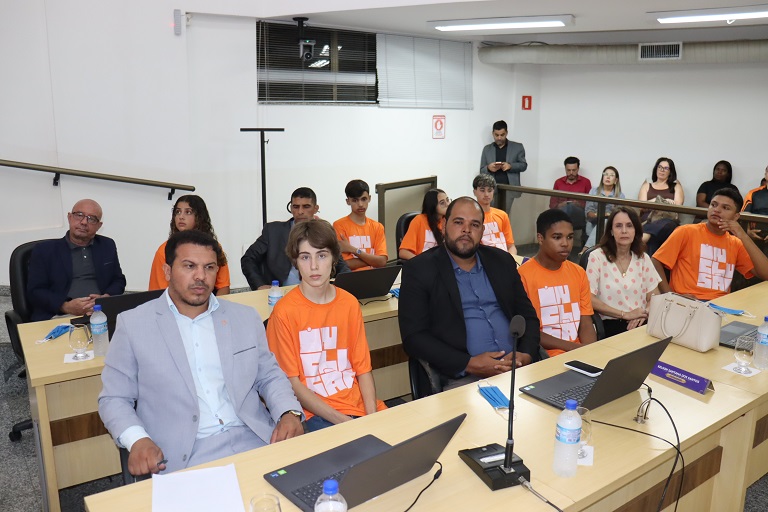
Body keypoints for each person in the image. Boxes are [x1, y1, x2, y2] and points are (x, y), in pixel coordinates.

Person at [99, 230, 303, 476]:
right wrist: (137, 440)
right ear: (167, 271)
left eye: (209, 267)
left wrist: (289, 412)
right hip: (183, 454)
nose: (200, 276)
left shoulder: (244, 317)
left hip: (255, 439)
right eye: (189, 266)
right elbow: (114, 398)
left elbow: (269, 375)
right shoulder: (133, 325)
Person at [398, 197, 541, 390]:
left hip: (518, 369)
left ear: (482, 230)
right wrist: (469, 363)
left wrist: (526, 354)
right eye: (459, 222)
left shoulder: (502, 262)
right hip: (465, 377)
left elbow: (528, 316)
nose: (466, 230)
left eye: (474, 224)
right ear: (443, 226)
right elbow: (414, 337)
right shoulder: (419, 269)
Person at [266, 220, 386, 431]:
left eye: (321, 255)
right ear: (295, 261)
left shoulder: (349, 303)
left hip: (357, 405)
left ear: (334, 258)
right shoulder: (284, 312)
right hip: (315, 413)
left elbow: (363, 370)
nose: (314, 266)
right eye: (305, 257)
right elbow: (292, 384)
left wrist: (371, 418)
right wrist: (346, 423)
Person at [653, 188, 768, 301]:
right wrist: (670, 296)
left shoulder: (735, 243)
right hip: (686, 302)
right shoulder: (686, 231)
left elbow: (766, 274)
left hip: (720, 304)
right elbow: (655, 261)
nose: (716, 210)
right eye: (713, 205)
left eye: (725, 208)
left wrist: (743, 236)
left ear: (735, 217)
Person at [26, 199, 126, 321]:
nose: (84, 222)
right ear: (69, 217)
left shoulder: (107, 245)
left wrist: (106, 298)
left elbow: (118, 280)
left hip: (101, 313)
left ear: (99, 226)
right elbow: (35, 292)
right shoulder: (44, 250)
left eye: (92, 219)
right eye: (79, 215)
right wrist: (65, 306)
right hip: (60, 315)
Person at [518, 209, 596, 357]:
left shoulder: (578, 272)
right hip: (543, 356)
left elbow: (585, 320)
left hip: (578, 352)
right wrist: (574, 348)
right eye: (557, 237)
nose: (565, 244)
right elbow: (529, 330)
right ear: (540, 238)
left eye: (570, 237)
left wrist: (590, 352)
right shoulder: (523, 276)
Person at [241, 187, 350, 290]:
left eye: (306, 207)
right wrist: (259, 285)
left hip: (317, 292)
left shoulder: (324, 232)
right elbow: (248, 259)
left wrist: (348, 286)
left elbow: (340, 264)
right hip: (281, 293)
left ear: (315, 209)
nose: (300, 211)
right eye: (296, 207)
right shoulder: (273, 231)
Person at [585, 207, 660, 338]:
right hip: (610, 324)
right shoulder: (597, 257)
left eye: (629, 226)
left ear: (635, 230)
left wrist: (644, 313)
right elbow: (589, 299)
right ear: (611, 231)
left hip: (640, 322)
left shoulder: (643, 258)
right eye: (618, 226)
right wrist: (625, 314)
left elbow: (654, 296)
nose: (624, 231)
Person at [148, 194, 230, 295]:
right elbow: (159, 293)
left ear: (199, 217)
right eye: (178, 212)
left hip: (209, 302)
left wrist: (215, 305)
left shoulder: (213, 247)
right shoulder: (163, 250)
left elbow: (223, 287)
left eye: (188, 212)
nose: (181, 217)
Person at [332, 179, 387, 271]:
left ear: (369, 198)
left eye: (364, 199)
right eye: (355, 200)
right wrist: (372, 260)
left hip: (375, 276)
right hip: (351, 277)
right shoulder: (339, 225)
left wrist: (353, 250)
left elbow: (382, 262)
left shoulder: (378, 227)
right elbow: (345, 264)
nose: (360, 204)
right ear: (348, 201)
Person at [638, 157, 685, 255]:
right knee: (654, 240)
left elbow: (678, 206)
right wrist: (656, 200)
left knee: (666, 224)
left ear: (670, 172)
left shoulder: (676, 186)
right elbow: (641, 206)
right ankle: (652, 262)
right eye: (660, 167)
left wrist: (666, 202)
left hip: (668, 221)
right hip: (649, 219)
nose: (662, 170)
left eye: (666, 168)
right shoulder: (647, 185)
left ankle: (644, 236)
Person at [479, 120, 527, 214]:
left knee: (505, 216)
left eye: (502, 135)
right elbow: (482, 170)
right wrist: (488, 168)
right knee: (492, 216)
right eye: (496, 135)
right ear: (493, 133)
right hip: (491, 190)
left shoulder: (517, 147)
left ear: (507, 133)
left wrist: (510, 166)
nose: (499, 138)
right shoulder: (487, 149)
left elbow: (524, 165)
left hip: (510, 190)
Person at [472, 174, 517, 255]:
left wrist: (511, 259)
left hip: (504, 257)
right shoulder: (471, 217)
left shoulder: (502, 215)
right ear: (475, 192)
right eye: (482, 190)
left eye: (489, 190)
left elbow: (511, 246)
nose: (486, 194)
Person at [398, 188, 449, 260]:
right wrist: (421, 262)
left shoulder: (448, 221)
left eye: (447, 200)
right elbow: (403, 252)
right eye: (442, 203)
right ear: (433, 206)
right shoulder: (419, 221)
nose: (448, 204)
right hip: (423, 263)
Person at [583, 166, 625, 250]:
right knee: (601, 223)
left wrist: (603, 216)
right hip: (593, 222)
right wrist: (605, 214)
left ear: (616, 180)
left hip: (610, 226)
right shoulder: (594, 191)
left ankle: (585, 249)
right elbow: (588, 212)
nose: (608, 177)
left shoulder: (620, 195)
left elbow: (619, 216)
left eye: (611, 175)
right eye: (606, 174)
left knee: (605, 222)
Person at [549, 156, 592, 233]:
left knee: (570, 207)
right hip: (561, 213)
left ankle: (562, 231)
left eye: (574, 170)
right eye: (568, 170)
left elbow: (590, 204)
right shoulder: (558, 182)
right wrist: (560, 205)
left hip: (579, 214)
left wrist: (579, 205)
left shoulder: (586, 182)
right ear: (565, 169)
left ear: (578, 169)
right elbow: (552, 204)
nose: (571, 173)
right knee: (565, 209)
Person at [742, 164, 768, 243]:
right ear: (765, 174)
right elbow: (743, 216)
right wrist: (747, 231)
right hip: (755, 235)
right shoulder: (753, 193)